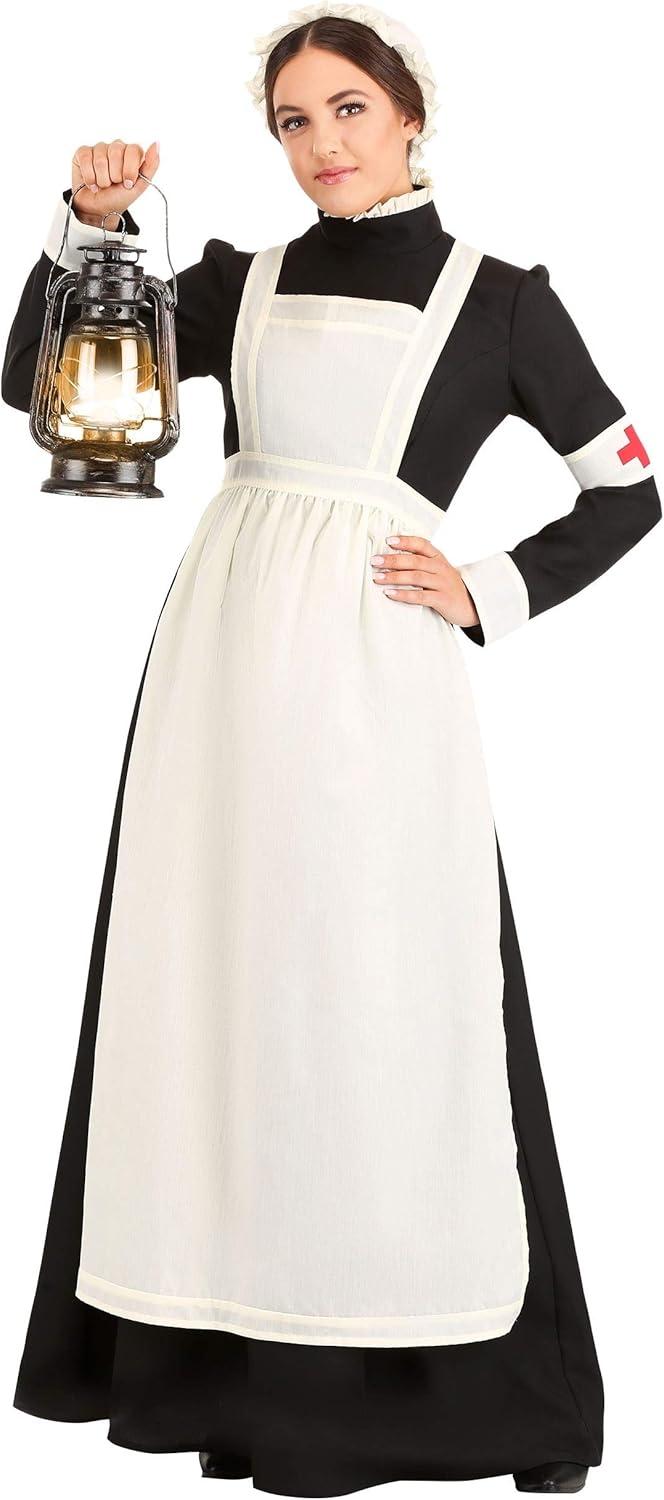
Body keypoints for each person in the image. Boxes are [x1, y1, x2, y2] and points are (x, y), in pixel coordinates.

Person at [2, 4, 660, 1496]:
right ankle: (220, 1372)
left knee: (387, 999)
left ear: (410, 114)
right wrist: (88, 231)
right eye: (293, 121)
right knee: (211, 989)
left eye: (348, 109)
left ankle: (474, 1399)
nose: (322, 144)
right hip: (217, 673)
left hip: (377, 687)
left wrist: (490, 587)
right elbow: (38, 383)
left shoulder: (504, 302)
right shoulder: (235, 282)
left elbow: (629, 488)